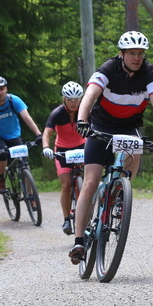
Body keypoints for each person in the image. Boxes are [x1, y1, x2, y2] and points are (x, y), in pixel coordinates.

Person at [69, 31, 153, 264]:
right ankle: (78, 241)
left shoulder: (149, 73)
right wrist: (82, 121)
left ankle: (120, 193)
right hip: (100, 125)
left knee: (135, 150)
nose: (137, 58)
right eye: (132, 53)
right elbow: (90, 95)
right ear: (122, 54)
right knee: (91, 181)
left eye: (141, 54)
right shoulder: (109, 68)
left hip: (129, 126)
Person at [42, 81, 87, 235]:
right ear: (64, 99)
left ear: (81, 99)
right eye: (70, 99)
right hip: (62, 150)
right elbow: (47, 133)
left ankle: (87, 215)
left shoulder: (85, 111)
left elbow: (96, 128)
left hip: (82, 147)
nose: (74, 103)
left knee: (90, 182)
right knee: (66, 184)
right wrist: (46, 147)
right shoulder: (57, 113)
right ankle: (67, 218)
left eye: (76, 99)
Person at [0, 76, 43, 193]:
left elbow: (27, 118)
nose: (0, 92)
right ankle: (0, 180)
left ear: (6, 89)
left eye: (2, 89)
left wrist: (39, 134)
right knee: (2, 154)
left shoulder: (14, 100)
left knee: (24, 164)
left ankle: (31, 195)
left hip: (14, 136)